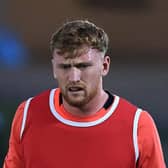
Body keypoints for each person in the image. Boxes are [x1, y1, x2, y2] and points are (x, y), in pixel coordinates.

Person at [3, 20, 166, 168]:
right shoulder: (27, 114)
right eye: (65, 67)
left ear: (104, 66)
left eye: (83, 66)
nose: (74, 77)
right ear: (54, 68)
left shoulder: (137, 126)